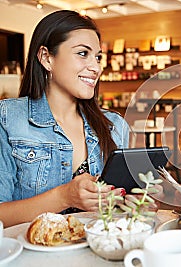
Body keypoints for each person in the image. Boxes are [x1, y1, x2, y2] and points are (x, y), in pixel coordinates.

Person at [0, 10, 130, 228]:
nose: (96, 67)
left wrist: (136, 201)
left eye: (98, 57)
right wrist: (64, 197)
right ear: (46, 58)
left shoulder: (115, 125)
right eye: (82, 53)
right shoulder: (8, 118)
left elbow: (119, 208)